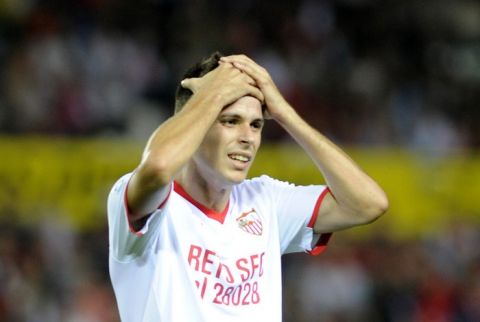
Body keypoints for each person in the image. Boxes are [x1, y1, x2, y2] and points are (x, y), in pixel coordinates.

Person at [107, 52, 388, 322]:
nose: (248, 138)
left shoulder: (266, 201)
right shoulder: (147, 203)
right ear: (193, 123)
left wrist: (285, 113)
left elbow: (368, 204)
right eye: (230, 121)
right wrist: (212, 96)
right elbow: (157, 168)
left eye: (256, 125)